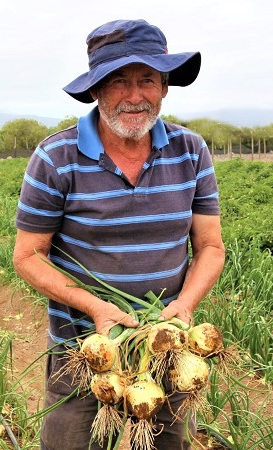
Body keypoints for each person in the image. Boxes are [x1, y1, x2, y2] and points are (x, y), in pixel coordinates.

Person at [13, 19, 226, 450]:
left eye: (147, 79)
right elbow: (28, 256)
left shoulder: (191, 151)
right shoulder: (56, 157)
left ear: (164, 86)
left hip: (165, 349)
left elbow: (210, 246)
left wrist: (184, 306)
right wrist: (96, 307)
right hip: (88, 352)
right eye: (118, 81)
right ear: (96, 90)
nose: (134, 96)